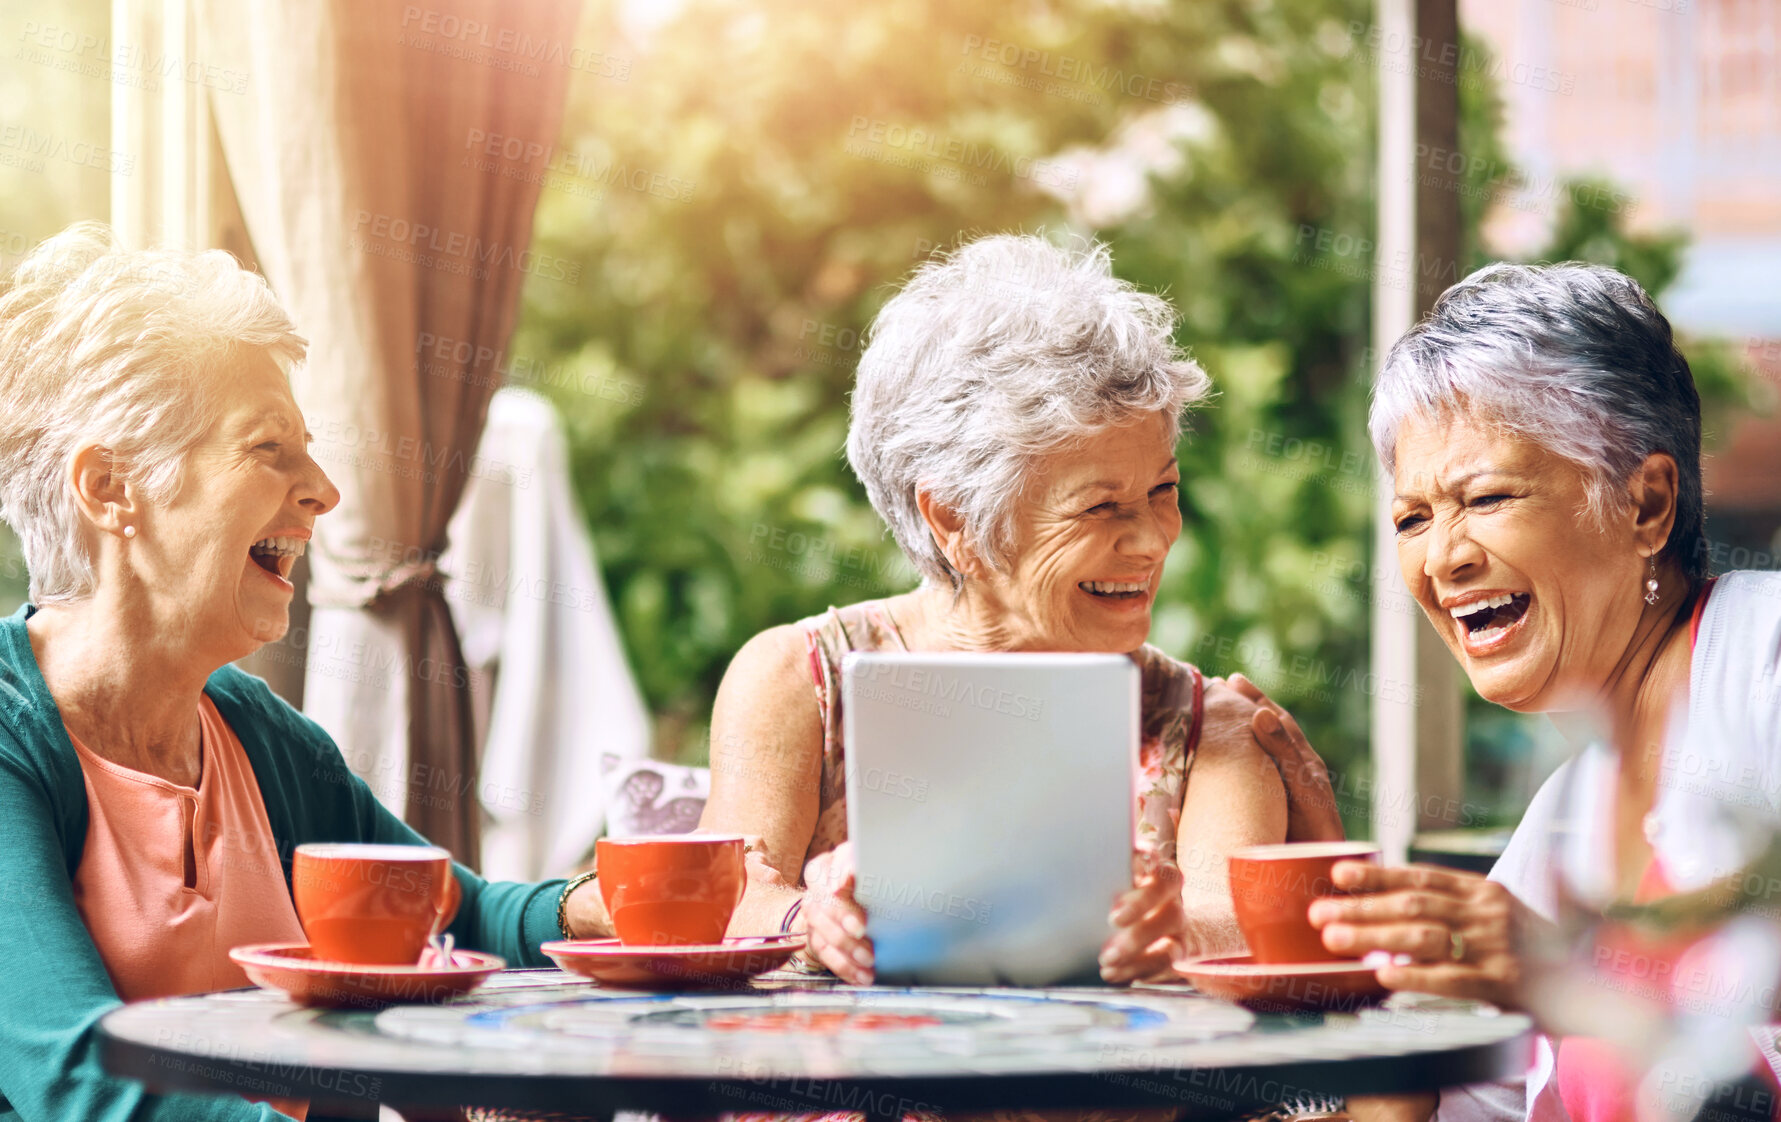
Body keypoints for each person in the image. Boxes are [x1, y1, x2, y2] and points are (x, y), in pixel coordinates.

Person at [0, 224, 609, 1122]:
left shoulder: (252, 731)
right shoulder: (16, 734)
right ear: (111, 488)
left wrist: (624, 906)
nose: (324, 487)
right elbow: (76, 1077)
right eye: (268, 449)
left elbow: (454, 917)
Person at [683, 234, 1328, 986]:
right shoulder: (798, 679)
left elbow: (1233, 920)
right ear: (953, 520)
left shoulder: (1212, 728)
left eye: (1163, 490)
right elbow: (721, 895)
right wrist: (805, 919)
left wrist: (1176, 928)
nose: (1152, 540)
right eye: (1099, 508)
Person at [1303, 262, 1781, 1122]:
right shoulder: (1565, 822)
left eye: (1483, 497)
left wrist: (1572, 982)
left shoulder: (1767, 667)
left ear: (1645, 505)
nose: (1442, 557)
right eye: (1412, 516)